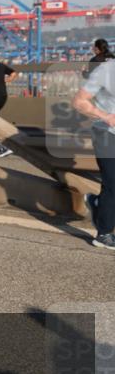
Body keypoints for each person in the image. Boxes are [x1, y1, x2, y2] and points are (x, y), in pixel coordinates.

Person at [72, 60, 115, 249]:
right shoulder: (107, 69)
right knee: (113, 183)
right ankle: (103, 233)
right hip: (106, 133)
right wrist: (105, 116)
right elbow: (79, 101)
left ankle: (96, 201)